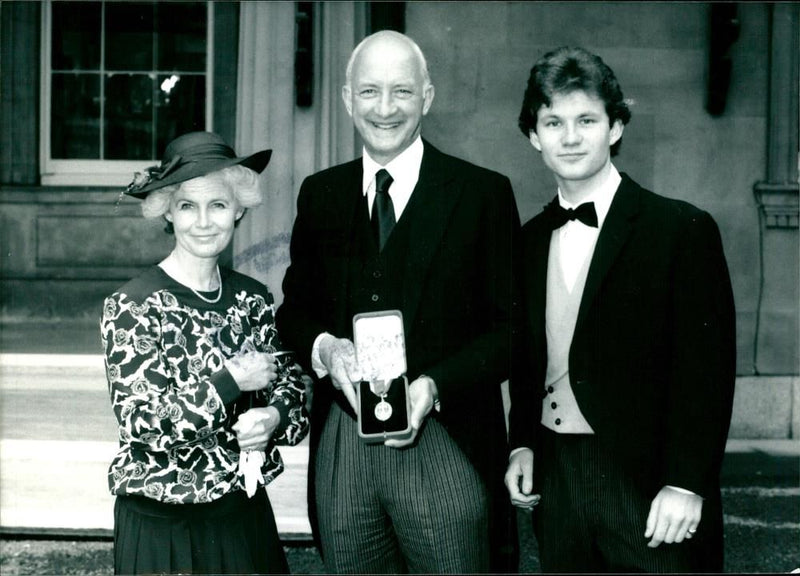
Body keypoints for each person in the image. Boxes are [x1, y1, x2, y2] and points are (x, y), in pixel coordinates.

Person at [276, 30, 520, 574]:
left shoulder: (482, 194)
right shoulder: (322, 193)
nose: (385, 109)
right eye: (369, 92)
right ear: (347, 99)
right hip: (344, 443)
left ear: (427, 98)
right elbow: (294, 311)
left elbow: (511, 332)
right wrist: (325, 349)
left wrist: (434, 386)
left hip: (445, 439)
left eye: (402, 92)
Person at [505, 46, 736, 572]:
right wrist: (522, 444)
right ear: (534, 137)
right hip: (557, 480)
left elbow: (707, 371)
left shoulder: (680, 230)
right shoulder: (527, 240)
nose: (569, 136)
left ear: (615, 128)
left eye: (586, 119)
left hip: (648, 482)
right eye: (553, 122)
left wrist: (686, 482)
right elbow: (527, 359)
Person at [100, 131, 309, 575]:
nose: (203, 221)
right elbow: (145, 423)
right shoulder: (133, 305)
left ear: (237, 210)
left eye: (217, 205)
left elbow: (290, 389)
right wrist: (231, 382)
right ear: (167, 214)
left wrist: (273, 418)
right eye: (187, 206)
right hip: (163, 525)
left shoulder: (252, 298)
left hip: (241, 515)